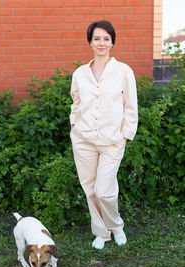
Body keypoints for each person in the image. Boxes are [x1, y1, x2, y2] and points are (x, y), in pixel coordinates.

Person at [69, 20, 138, 250]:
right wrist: (74, 125)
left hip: (112, 141)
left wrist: (125, 136)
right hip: (84, 140)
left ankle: (116, 226)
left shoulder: (123, 71)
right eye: (97, 38)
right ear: (90, 41)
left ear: (112, 42)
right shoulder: (80, 74)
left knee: (104, 191)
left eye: (106, 38)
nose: (101, 42)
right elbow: (76, 103)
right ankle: (101, 232)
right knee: (90, 190)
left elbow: (131, 107)